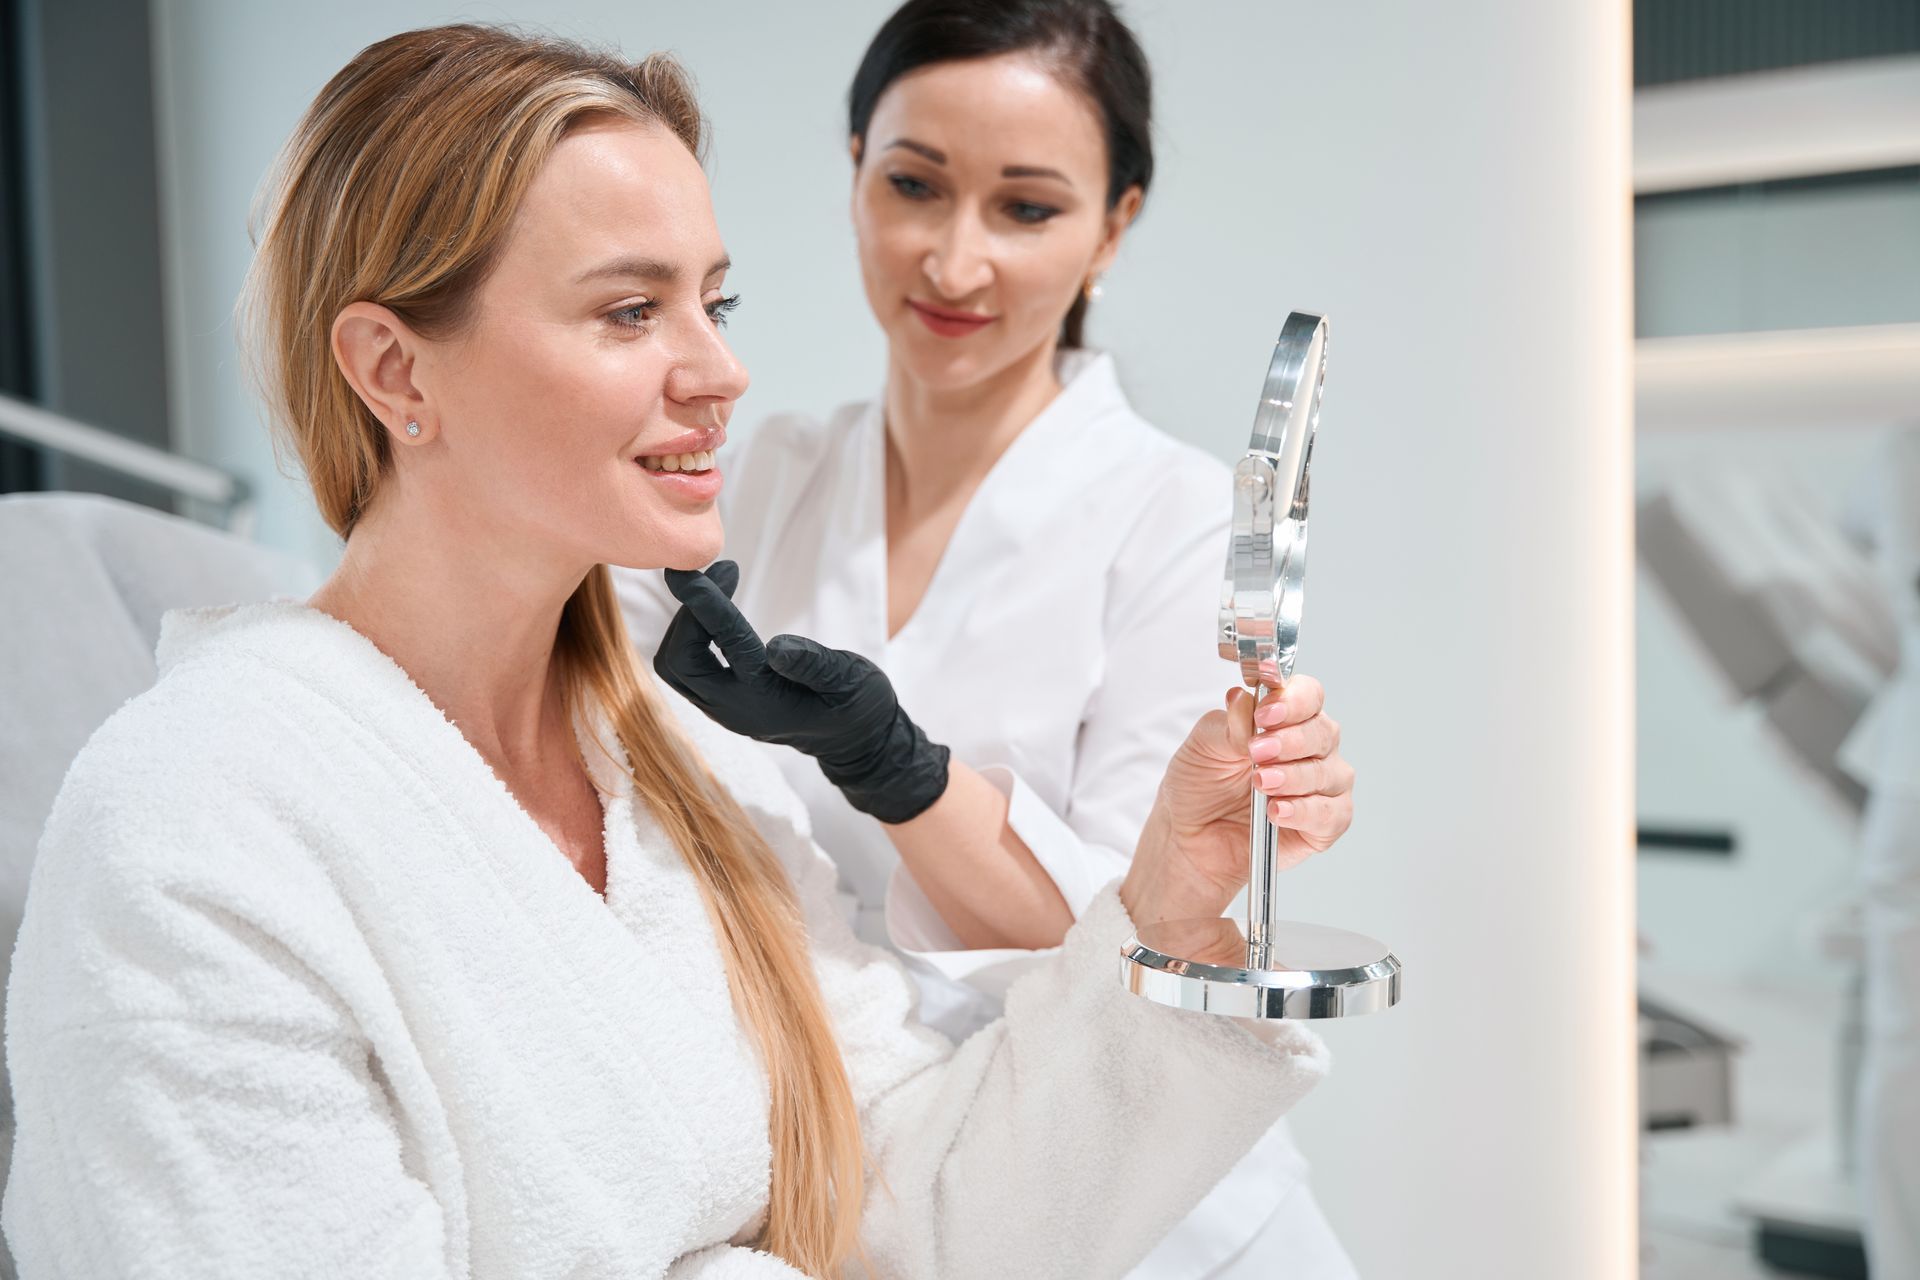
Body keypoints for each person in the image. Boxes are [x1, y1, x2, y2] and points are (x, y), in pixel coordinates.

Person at [1, 24, 1339, 1280]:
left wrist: (1165, 906)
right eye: (630, 312)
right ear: (397, 375)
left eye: (715, 299)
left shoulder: (686, 772)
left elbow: (910, 1198)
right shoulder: (194, 835)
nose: (724, 372)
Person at [618, 3, 1359, 1275]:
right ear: (855, 167)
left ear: (1113, 223)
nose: (954, 263)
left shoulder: (1172, 519)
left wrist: (897, 769)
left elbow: (1138, 937)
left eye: (1026, 209)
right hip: (883, 1183)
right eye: (915, 185)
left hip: (1147, 1200)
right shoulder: (764, 474)